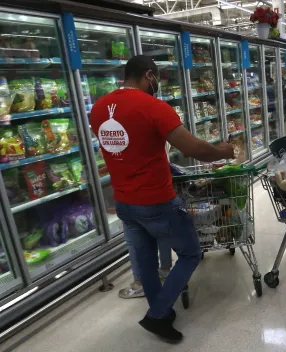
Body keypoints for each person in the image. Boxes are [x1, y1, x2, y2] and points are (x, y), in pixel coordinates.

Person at [90, 55, 234, 343]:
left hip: (124, 202)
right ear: (148, 76)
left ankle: (161, 310)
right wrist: (223, 152)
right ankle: (156, 316)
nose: (157, 84)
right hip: (155, 200)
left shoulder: (98, 109)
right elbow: (195, 149)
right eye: (156, 78)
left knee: (146, 263)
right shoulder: (154, 107)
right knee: (191, 252)